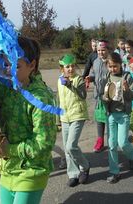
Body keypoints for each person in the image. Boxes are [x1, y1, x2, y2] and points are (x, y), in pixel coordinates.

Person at [0, 37, 57, 204]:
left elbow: (44, 143)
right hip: (7, 168)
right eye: (6, 64)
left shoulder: (41, 98)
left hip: (32, 170)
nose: (9, 70)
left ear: (32, 65)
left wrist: (10, 150)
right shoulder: (4, 88)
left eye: (16, 65)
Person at [103, 52, 133, 184]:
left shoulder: (127, 77)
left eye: (115, 66)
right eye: (110, 66)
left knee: (122, 143)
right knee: (111, 144)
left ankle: (132, 155)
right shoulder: (107, 76)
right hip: (111, 114)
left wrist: (127, 89)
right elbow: (103, 94)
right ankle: (114, 172)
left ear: (120, 65)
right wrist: (104, 97)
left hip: (123, 114)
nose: (113, 69)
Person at [57, 54, 90, 187]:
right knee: (66, 148)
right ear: (62, 69)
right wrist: (57, 118)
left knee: (71, 145)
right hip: (65, 117)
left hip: (77, 115)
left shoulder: (78, 79)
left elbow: (83, 95)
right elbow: (59, 100)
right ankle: (73, 174)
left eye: (72, 66)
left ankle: (85, 166)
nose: (70, 69)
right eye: (67, 67)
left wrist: (71, 85)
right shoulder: (59, 80)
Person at [87, 40, 110, 153]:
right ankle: (100, 140)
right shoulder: (95, 61)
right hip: (98, 96)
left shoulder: (111, 61)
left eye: (103, 50)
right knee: (99, 119)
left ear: (107, 50)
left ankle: (111, 140)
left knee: (109, 119)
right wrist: (89, 78)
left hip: (109, 96)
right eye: (99, 50)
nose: (100, 52)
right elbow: (93, 73)